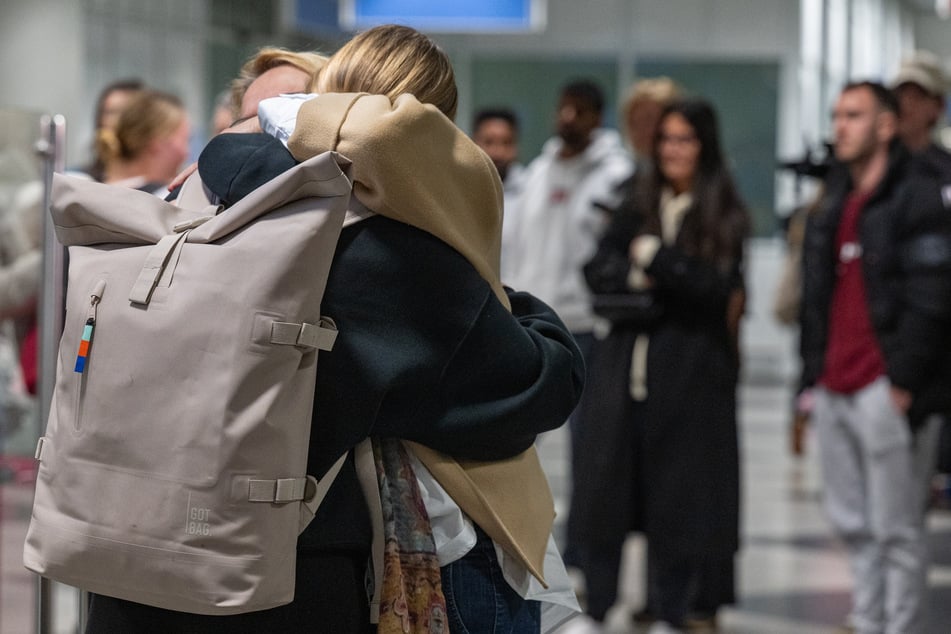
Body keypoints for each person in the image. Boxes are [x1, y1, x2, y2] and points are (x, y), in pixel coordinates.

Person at [85, 25, 585, 634]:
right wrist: (508, 301)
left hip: (132, 556)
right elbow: (536, 382)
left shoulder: (195, 201)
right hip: (275, 581)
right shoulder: (374, 253)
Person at [578, 98, 749, 634]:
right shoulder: (638, 198)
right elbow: (598, 271)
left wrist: (653, 258)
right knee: (607, 496)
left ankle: (672, 610)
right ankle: (598, 606)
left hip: (691, 381)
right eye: (667, 139)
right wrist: (652, 287)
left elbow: (716, 289)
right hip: (626, 374)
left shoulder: (723, 209)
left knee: (678, 505)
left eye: (686, 139)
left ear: (705, 146)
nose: (674, 150)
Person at [800, 81, 951, 634]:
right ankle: (867, 620)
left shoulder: (917, 194)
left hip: (885, 386)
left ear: (885, 125)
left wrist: (903, 380)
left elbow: (932, 294)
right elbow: (817, 298)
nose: (840, 126)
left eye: (854, 116)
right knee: (852, 522)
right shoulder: (834, 201)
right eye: (837, 115)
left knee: (897, 528)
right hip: (836, 383)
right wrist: (810, 377)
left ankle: (901, 626)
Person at [96, 89, 191, 197]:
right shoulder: (166, 198)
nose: (186, 152)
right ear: (158, 141)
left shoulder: (89, 191)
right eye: (185, 140)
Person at [471, 107, 526, 280]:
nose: (498, 152)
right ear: (473, 143)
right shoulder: (458, 193)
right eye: (489, 142)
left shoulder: (531, 192)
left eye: (506, 143)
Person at [890, 50, 951, 171]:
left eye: (916, 97)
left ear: (938, 106)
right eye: (900, 95)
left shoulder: (945, 170)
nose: (905, 104)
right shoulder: (875, 166)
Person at [79, 78, 145, 182]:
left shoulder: (159, 184)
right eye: (109, 112)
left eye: (123, 113)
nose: (112, 121)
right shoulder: (82, 178)